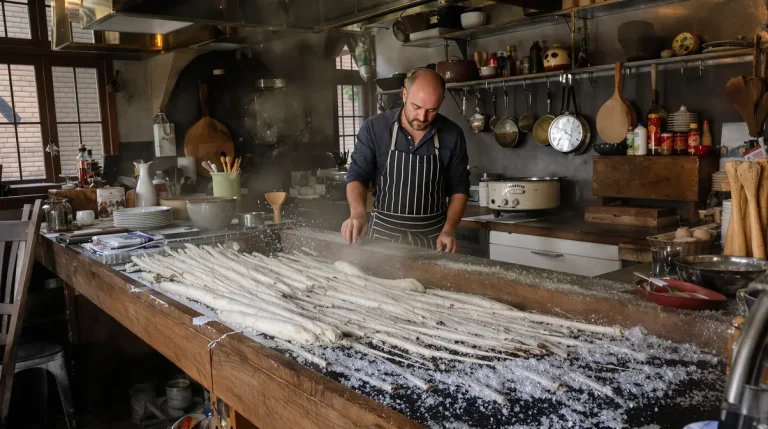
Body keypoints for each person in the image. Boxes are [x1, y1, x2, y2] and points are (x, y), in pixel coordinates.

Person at [341, 68, 470, 252]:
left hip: (433, 241)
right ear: (404, 95)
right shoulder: (375, 128)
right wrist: (358, 213)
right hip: (382, 240)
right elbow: (357, 175)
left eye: (431, 110)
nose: (422, 117)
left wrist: (449, 230)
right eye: (416, 107)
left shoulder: (452, 134)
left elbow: (459, 188)